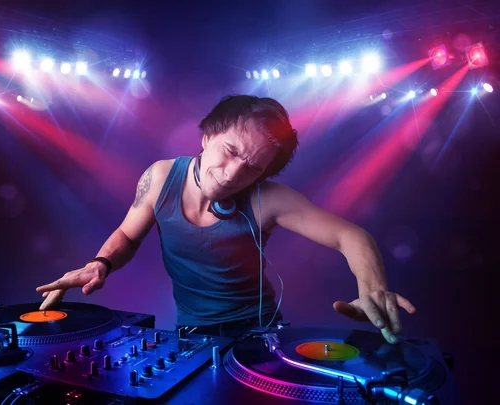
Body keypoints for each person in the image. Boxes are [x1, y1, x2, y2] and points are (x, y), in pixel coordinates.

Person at [36, 95, 416, 343]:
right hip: (190, 334)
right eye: (230, 151)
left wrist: (373, 289)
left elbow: (351, 236)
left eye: (251, 169)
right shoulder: (161, 176)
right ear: (206, 136)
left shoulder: (270, 200)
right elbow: (127, 234)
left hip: (261, 333)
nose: (233, 173)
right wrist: (100, 263)